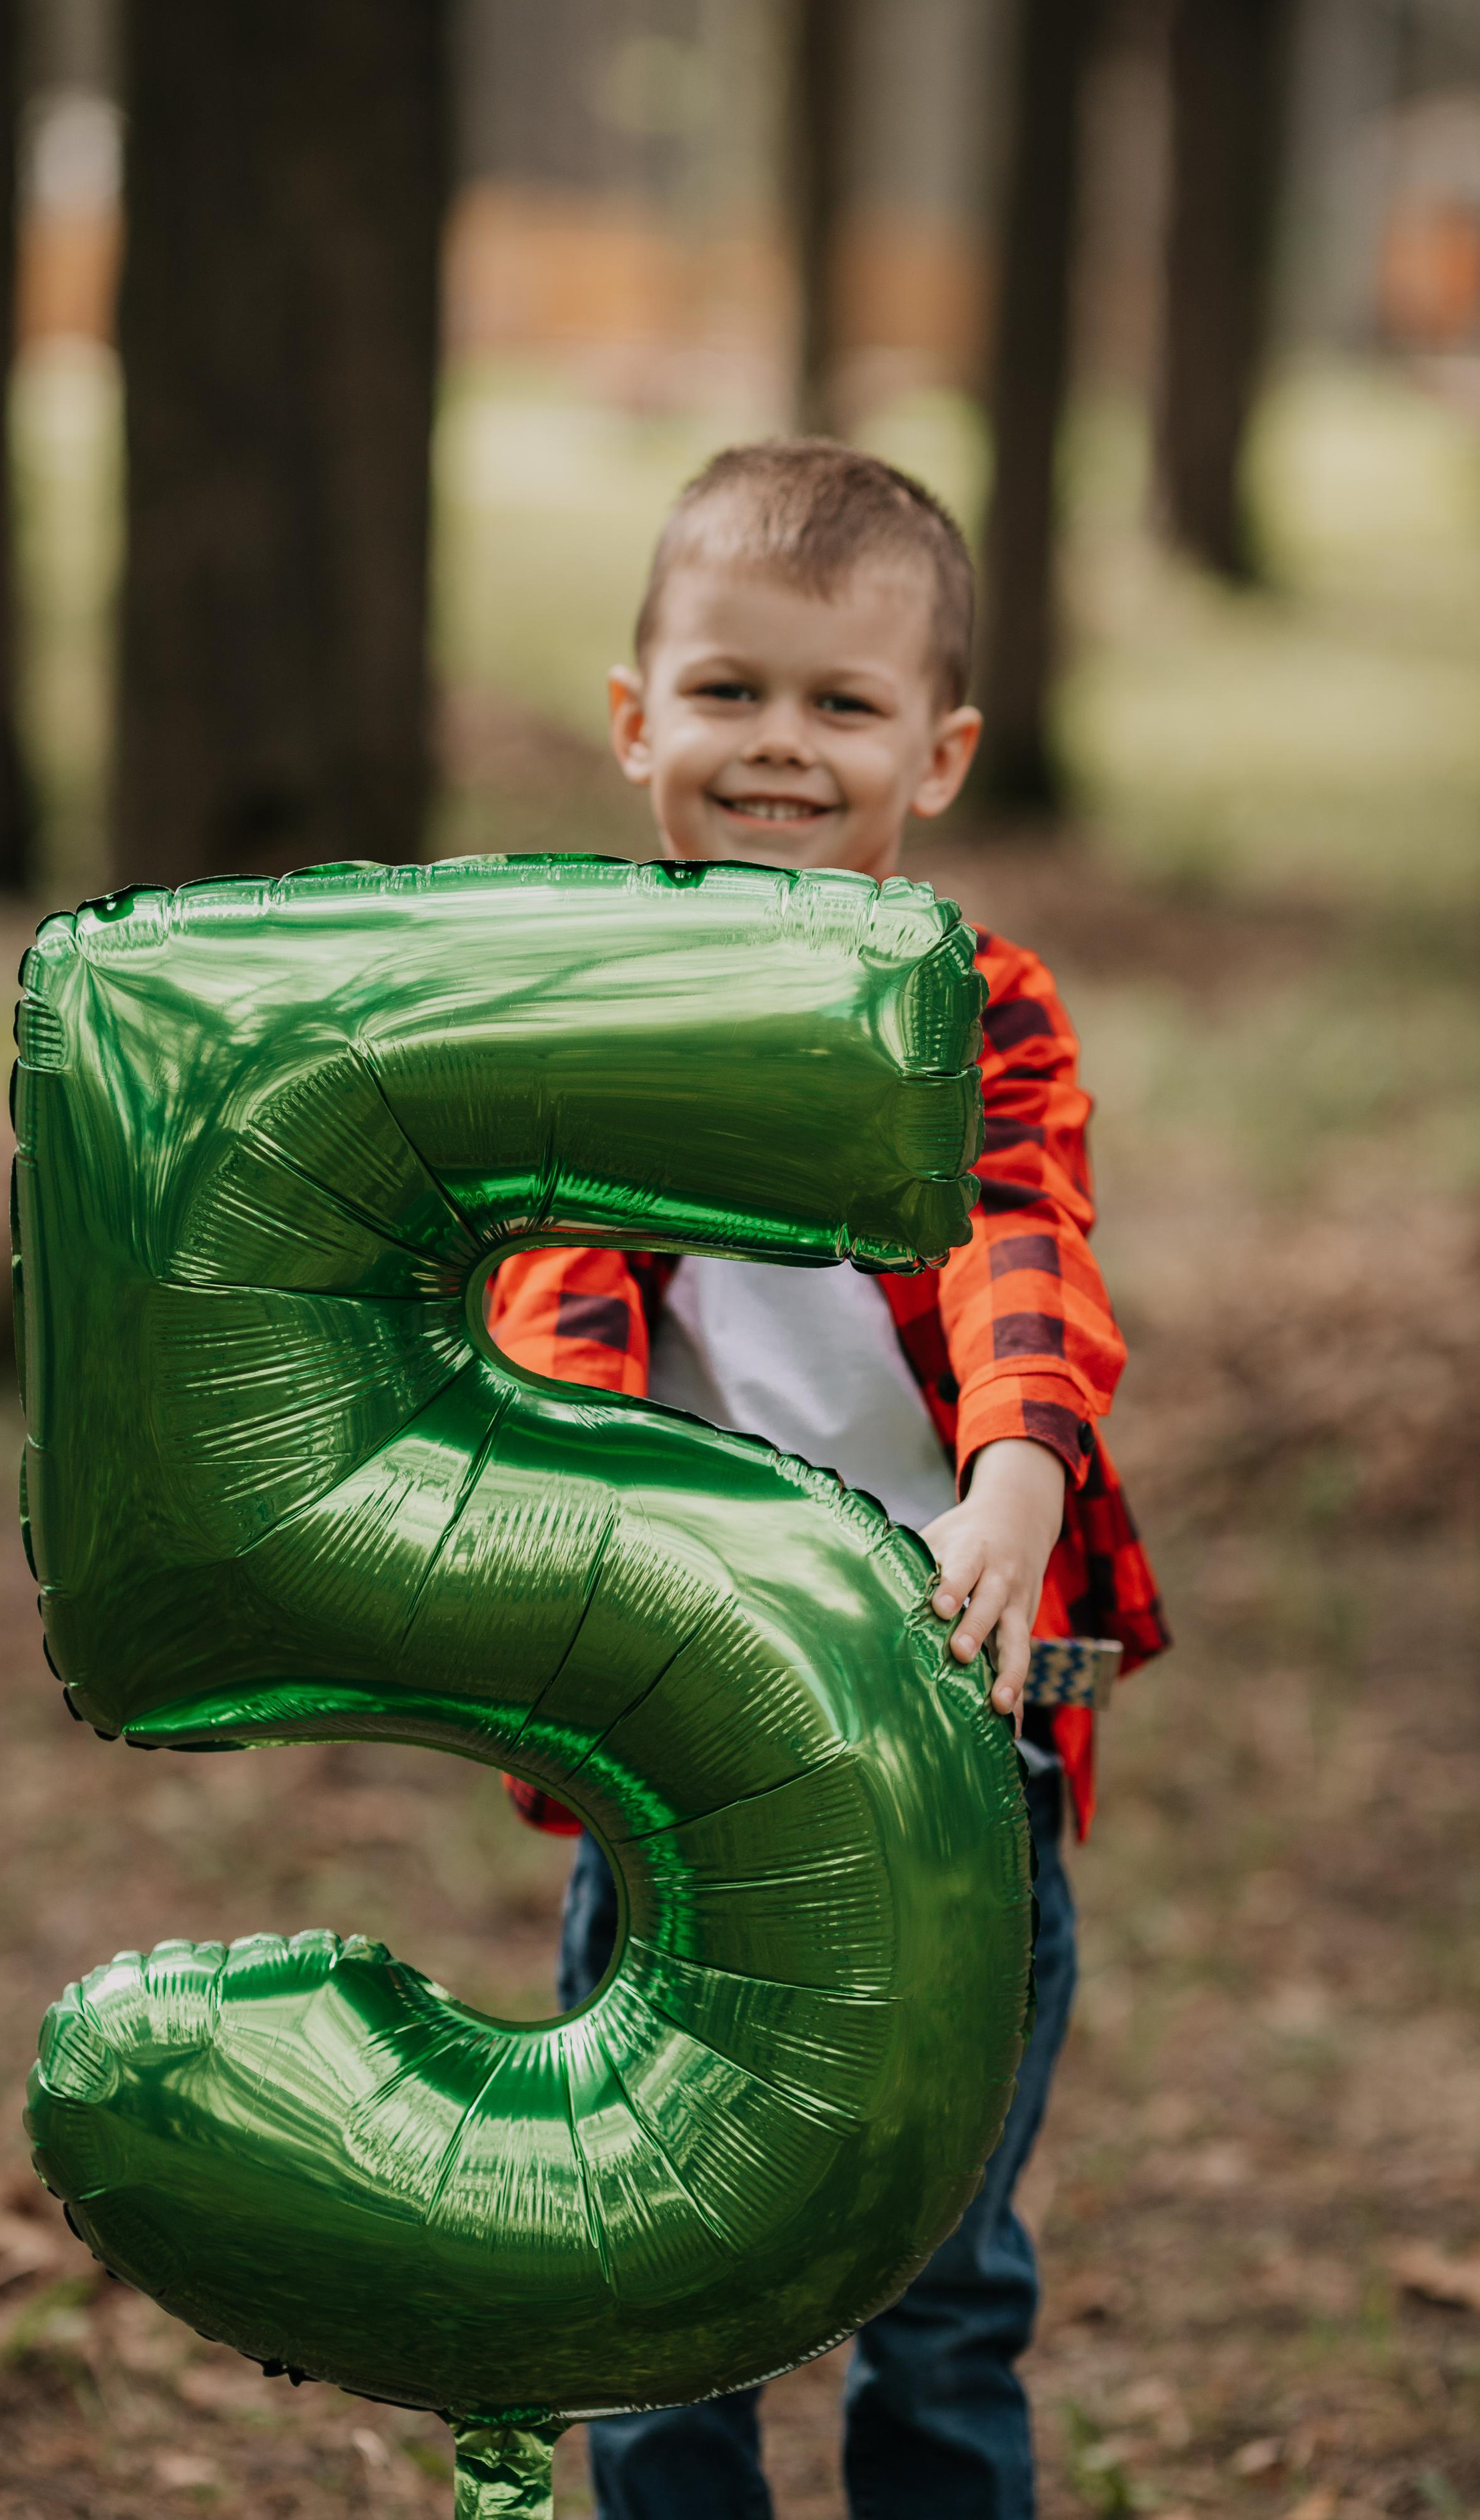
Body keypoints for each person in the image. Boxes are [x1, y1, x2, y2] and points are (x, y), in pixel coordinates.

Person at [489, 439, 1168, 2520]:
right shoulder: (573, 1015)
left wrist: (1022, 1469)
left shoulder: (979, 1008)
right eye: (730, 691)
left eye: (841, 704)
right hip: (682, 1771)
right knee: (661, 2255)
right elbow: (544, 1318)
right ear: (636, 722)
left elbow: (1016, 1238)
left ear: (939, 754)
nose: (780, 746)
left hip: (957, 1755)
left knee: (943, 2278)